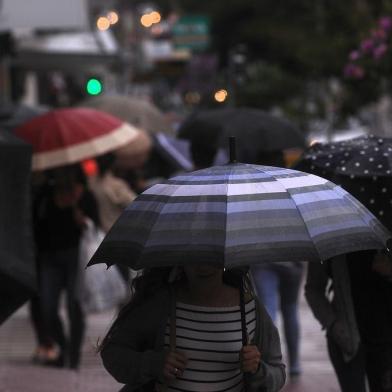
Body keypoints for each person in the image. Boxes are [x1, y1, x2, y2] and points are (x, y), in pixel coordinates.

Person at [98, 264, 286, 392]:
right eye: (194, 253)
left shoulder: (249, 308)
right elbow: (114, 352)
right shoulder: (161, 304)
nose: (203, 264)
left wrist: (257, 370)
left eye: (210, 254)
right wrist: (152, 363)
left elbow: (277, 373)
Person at [33, 163, 99, 369]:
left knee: (75, 305)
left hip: (75, 257)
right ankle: (63, 345)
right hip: (48, 257)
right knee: (48, 307)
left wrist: (82, 219)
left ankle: (73, 355)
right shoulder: (45, 193)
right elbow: (35, 223)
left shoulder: (85, 196)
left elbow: (95, 227)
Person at [305, 250, 392, 392]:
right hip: (347, 341)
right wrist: (333, 325)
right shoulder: (332, 238)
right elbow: (313, 289)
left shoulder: (385, 233)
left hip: (386, 341)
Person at [251, 150, 304, 378]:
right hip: (292, 259)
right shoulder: (292, 186)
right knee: (290, 309)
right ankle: (294, 364)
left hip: (264, 260)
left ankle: (269, 361)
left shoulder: (251, 189)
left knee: (268, 309)